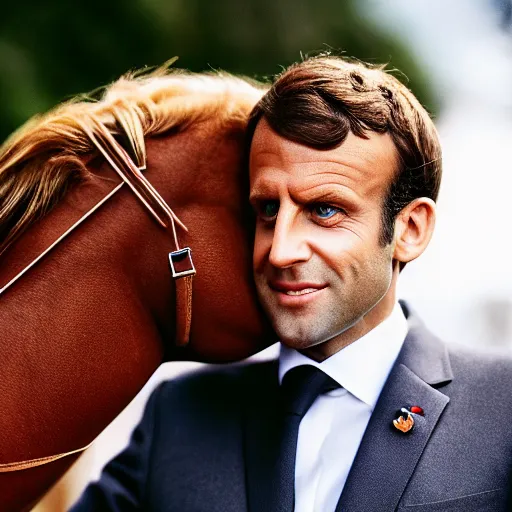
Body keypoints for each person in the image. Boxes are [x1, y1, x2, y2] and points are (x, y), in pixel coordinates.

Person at [70, 56, 512, 511]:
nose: (279, 251)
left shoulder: (504, 411)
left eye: (324, 211)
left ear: (410, 229)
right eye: (267, 210)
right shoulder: (178, 415)